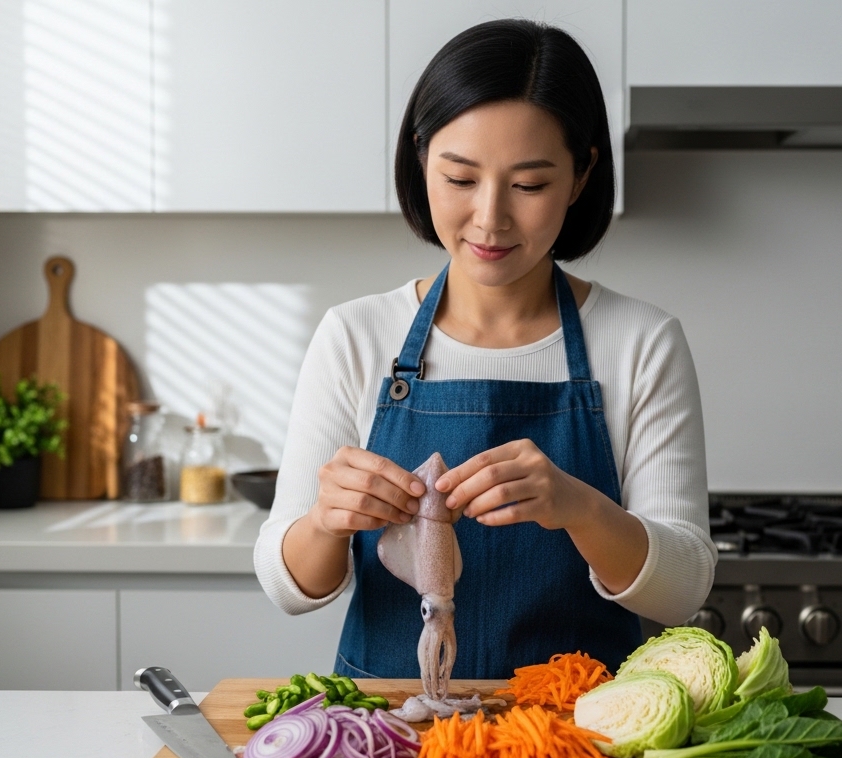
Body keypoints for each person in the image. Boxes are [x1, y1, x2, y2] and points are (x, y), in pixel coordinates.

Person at [253, 19, 714, 680]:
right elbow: (286, 585)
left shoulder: (643, 343)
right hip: (392, 731)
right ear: (421, 161)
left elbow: (682, 589)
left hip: (577, 733)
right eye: (461, 179)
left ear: (582, 174)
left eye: (528, 185)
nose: (491, 218)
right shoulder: (355, 336)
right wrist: (328, 522)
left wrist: (578, 507)